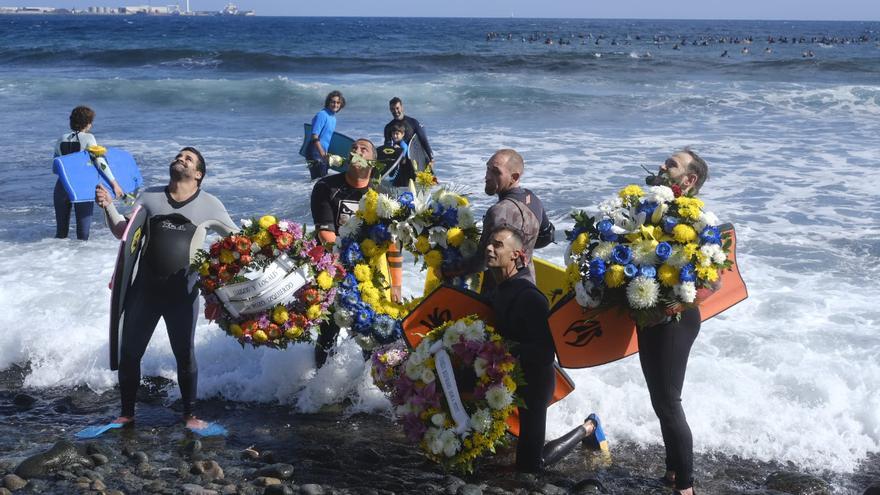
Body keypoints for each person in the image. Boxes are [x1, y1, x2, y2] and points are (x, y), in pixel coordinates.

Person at [95, 147, 237, 433]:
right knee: (130, 354)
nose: (180, 159)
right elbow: (125, 233)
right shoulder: (149, 197)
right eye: (179, 156)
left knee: (184, 355)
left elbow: (237, 243)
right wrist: (109, 205)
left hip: (182, 295)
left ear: (198, 174)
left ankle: (190, 415)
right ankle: (126, 414)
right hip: (144, 291)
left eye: (188, 158)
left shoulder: (210, 204)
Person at [485, 226, 605, 472]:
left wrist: (507, 350)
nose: (488, 248)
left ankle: (589, 427)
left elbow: (545, 352)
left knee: (530, 466)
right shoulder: (498, 289)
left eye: (497, 245)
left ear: (516, 255)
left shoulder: (530, 297)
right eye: (488, 243)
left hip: (534, 385)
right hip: (509, 378)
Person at [640, 149, 710, 495]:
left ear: (689, 180)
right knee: (660, 400)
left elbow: (708, 276)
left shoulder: (695, 220)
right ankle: (672, 471)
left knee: (669, 402)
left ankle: (686, 486)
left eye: (671, 165)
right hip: (652, 315)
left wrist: (672, 304)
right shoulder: (658, 210)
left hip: (675, 318)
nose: (662, 167)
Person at [309, 138, 403, 367]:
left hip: (372, 272)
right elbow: (325, 234)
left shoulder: (385, 195)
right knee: (328, 330)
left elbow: (394, 242)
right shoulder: (326, 187)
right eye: (353, 149)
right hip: (333, 267)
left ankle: (365, 390)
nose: (357, 151)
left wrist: (397, 285)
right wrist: (347, 267)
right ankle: (317, 388)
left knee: (370, 332)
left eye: (363, 149)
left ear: (373, 161)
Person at [442, 149, 555, 295]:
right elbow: (547, 236)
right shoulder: (533, 200)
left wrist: (446, 269)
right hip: (528, 287)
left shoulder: (498, 211)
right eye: (487, 169)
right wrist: (523, 247)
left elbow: (480, 261)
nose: (487, 176)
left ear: (514, 177)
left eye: (495, 172)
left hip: (501, 294)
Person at [54, 106, 124, 240]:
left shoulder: (61, 138)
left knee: (60, 234)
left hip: (62, 186)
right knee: (82, 236)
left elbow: (55, 167)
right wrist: (114, 184)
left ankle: (57, 258)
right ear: (88, 123)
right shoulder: (89, 138)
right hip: (82, 188)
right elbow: (100, 163)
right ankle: (78, 260)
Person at [382, 97, 434, 171]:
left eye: (397, 108)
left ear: (402, 107)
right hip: (401, 163)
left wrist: (431, 158)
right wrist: (393, 147)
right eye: (392, 109)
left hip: (417, 160)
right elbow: (387, 145)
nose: (395, 111)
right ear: (390, 110)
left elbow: (424, 140)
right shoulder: (388, 127)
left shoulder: (413, 122)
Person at [306, 90, 345, 180]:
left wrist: (325, 153)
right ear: (328, 102)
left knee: (322, 179)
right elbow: (314, 136)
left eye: (338, 102)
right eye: (333, 102)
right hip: (315, 151)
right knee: (319, 179)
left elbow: (326, 139)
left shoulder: (333, 118)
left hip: (322, 151)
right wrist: (322, 153)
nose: (335, 105)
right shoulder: (322, 115)